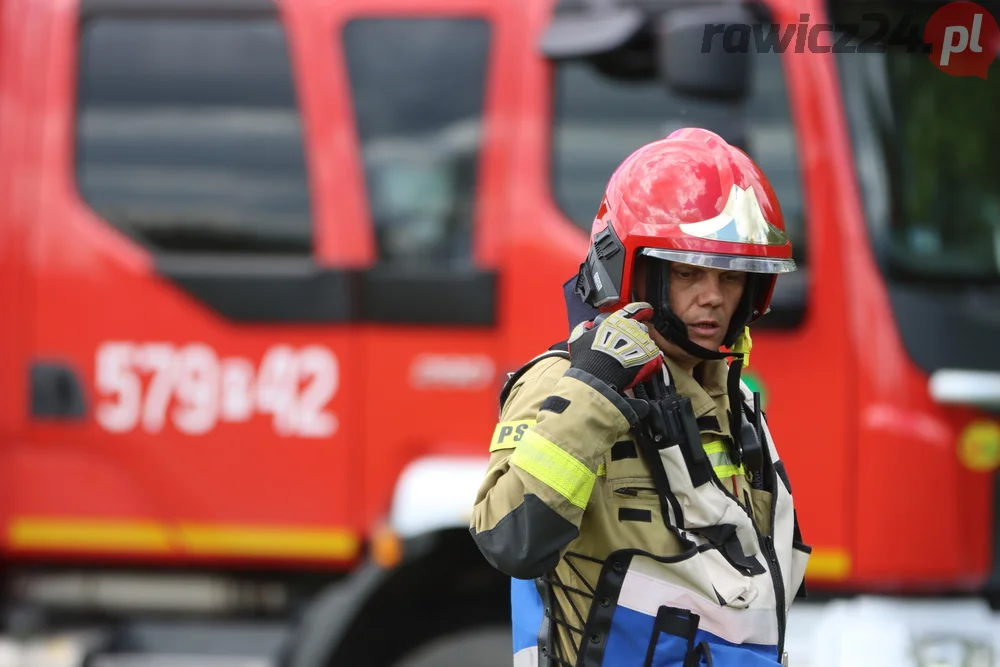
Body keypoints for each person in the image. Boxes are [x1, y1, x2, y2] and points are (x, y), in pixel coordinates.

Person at [469, 128, 811, 667]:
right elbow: (510, 538)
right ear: (635, 270)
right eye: (687, 272)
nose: (713, 297)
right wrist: (597, 390)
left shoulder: (734, 399)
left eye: (729, 277)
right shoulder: (565, 383)